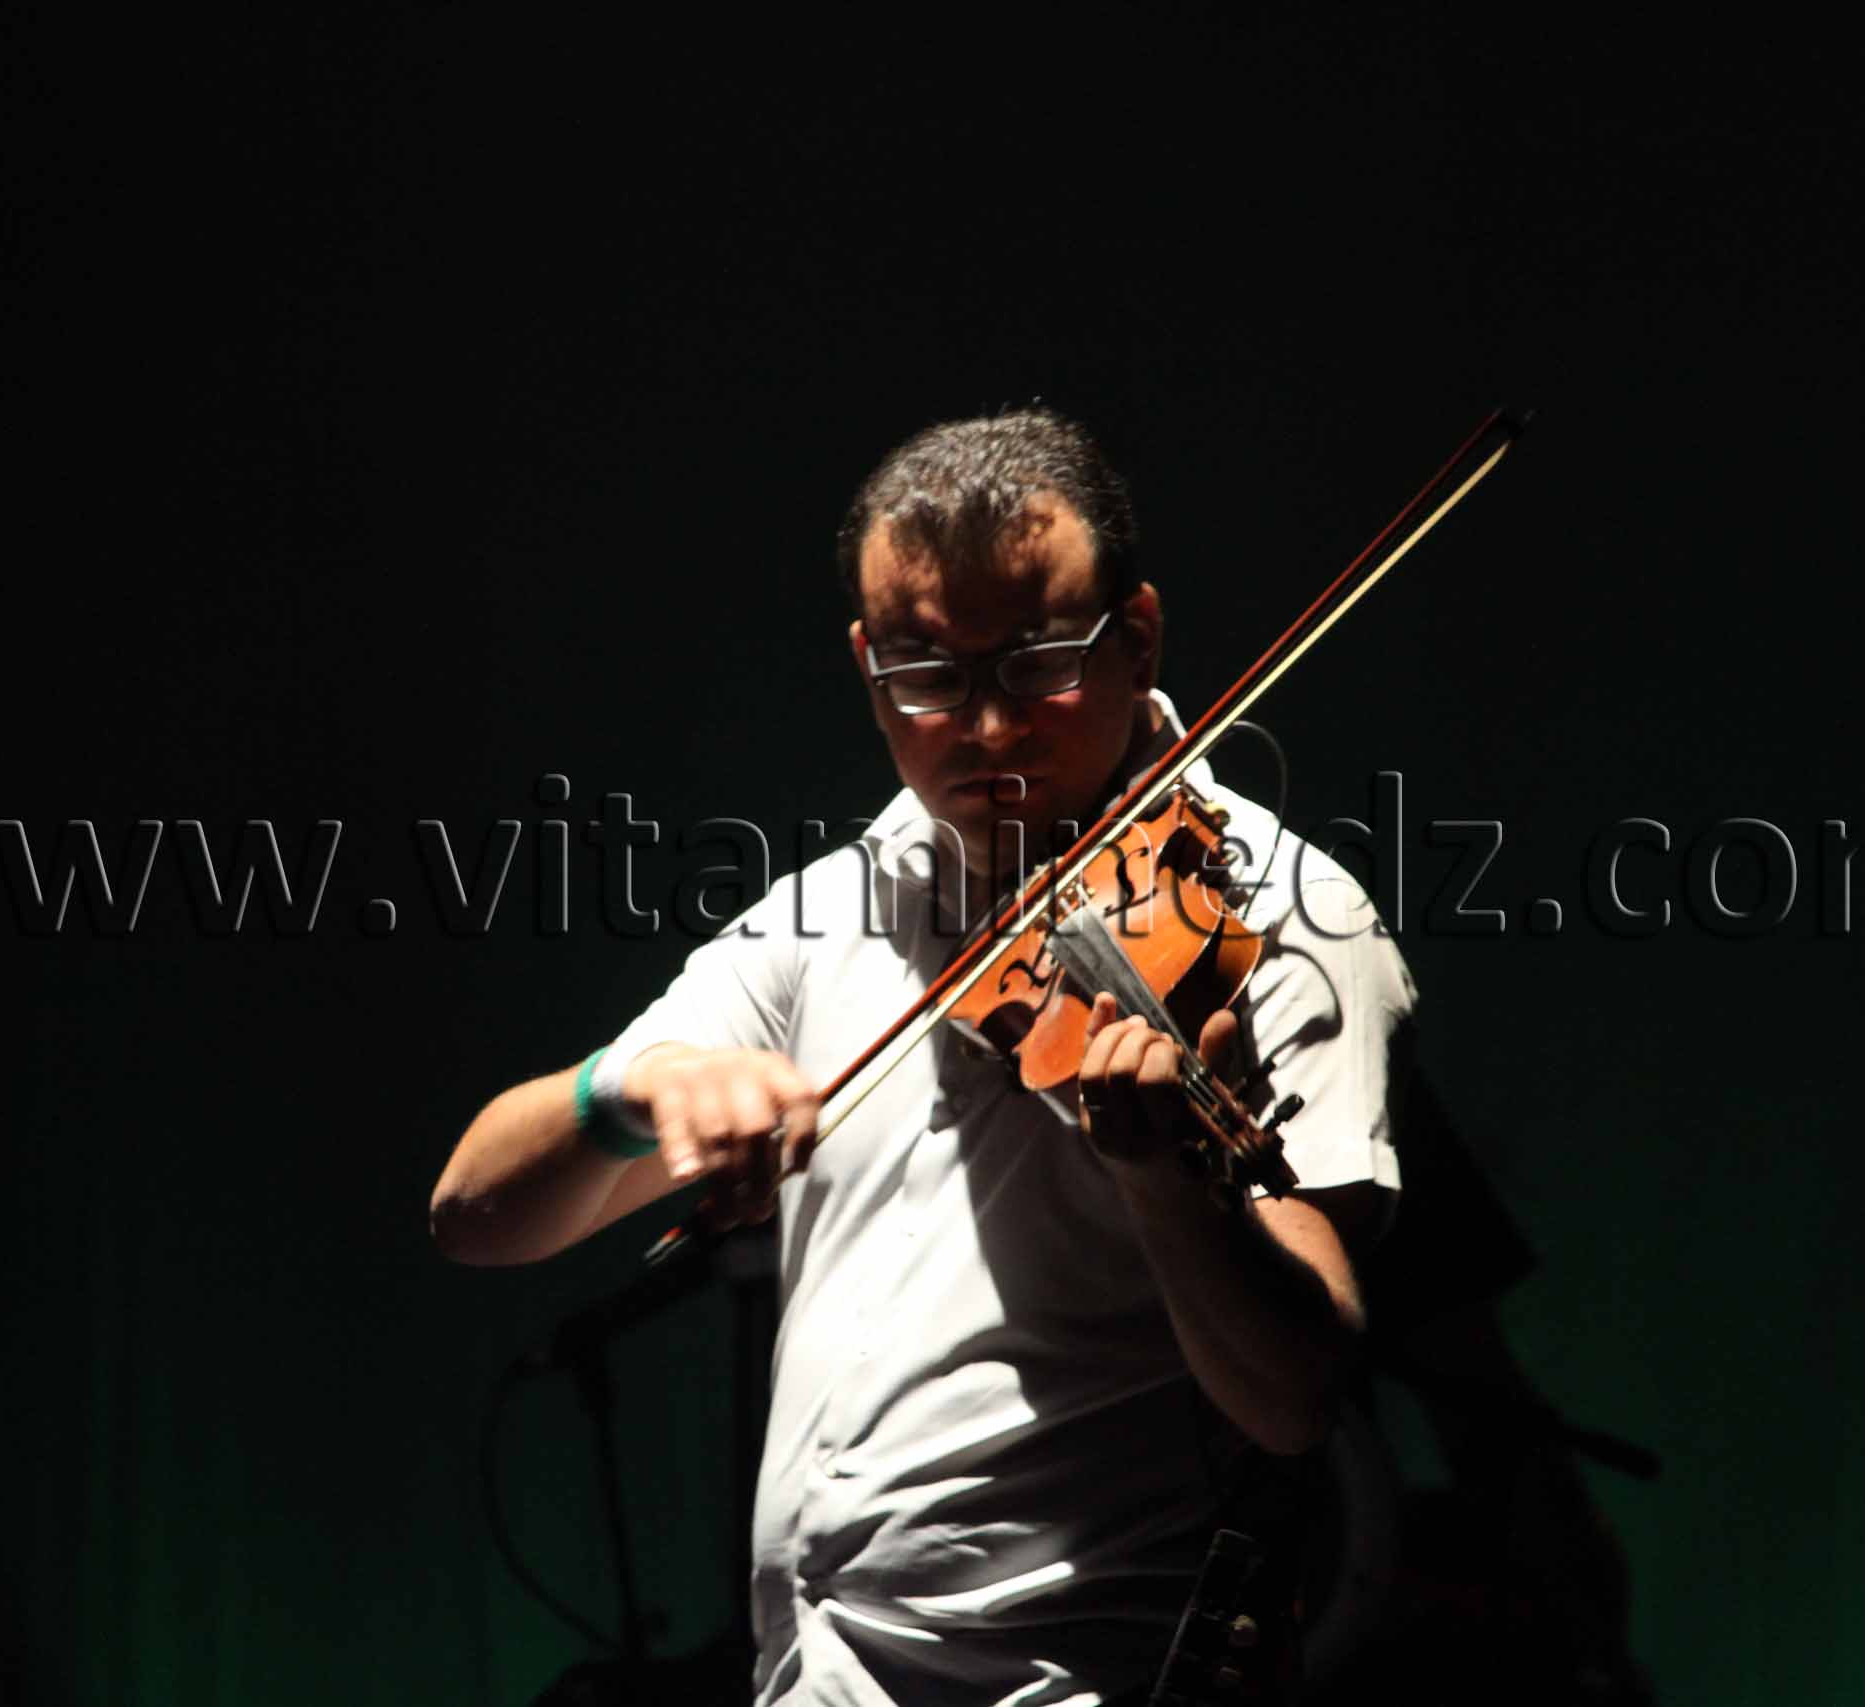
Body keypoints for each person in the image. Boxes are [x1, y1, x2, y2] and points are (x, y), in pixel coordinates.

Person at [432, 409, 1417, 1706]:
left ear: (1139, 637)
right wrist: (637, 1091)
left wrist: (1167, 1182)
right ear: (865, 662)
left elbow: (1296, 1397)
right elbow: (476, 1214)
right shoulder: (832, 911)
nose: (990, 730)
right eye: (928, 675)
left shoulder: (1286, 920)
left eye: (1038, 664)